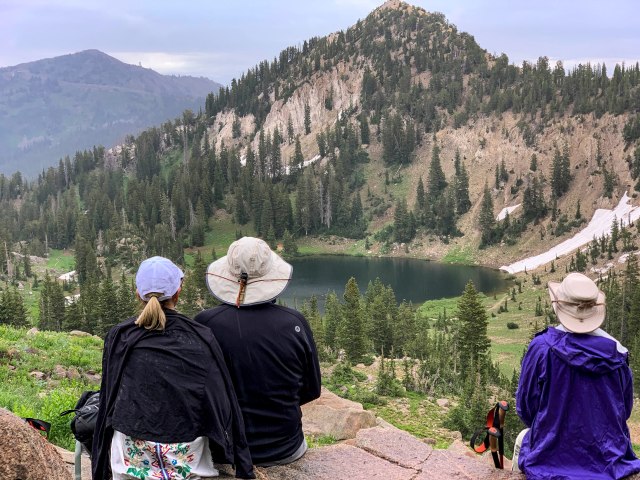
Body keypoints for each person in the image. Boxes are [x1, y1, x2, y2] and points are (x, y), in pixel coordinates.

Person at [92, 256, 255, 480]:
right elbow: (219, 397)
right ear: (178, 292)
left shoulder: (120, 336)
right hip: (185, 458)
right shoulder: (200, 337)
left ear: (138, 294)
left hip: (130, 459)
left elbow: (109, 398)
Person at [195, 237, 321, 467]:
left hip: (224, 452)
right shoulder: (294, 323)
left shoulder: (205, 324)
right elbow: (311, 390)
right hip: (286, 448)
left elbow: (197, 391)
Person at [515, 272, 640, 479]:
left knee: (523, 440)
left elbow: (526, 408)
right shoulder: (617, 353)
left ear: (558, 306)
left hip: (549, 459)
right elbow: (624, 410)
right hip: (609, 460)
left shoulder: (542, 347)